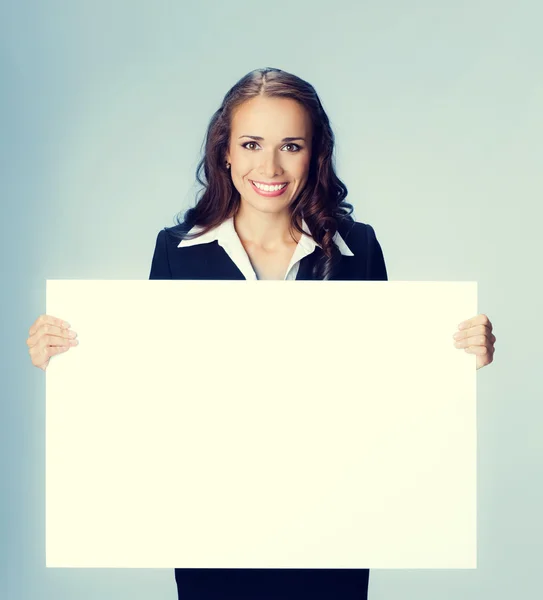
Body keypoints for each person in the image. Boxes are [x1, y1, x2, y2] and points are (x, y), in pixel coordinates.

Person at [26, 67, 496, 600]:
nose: (269, 166)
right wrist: (71, 357)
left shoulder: (358, 249)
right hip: (214, 519)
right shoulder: (177, 252)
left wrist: (453, 353)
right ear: (225, 151)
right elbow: (152, 382)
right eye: (251, 144)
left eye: (290, 145)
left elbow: (386, 382)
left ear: (314, 154)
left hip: (335, 518)